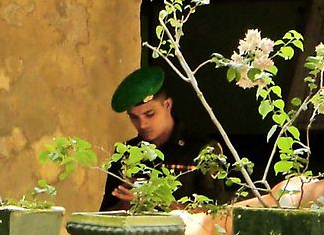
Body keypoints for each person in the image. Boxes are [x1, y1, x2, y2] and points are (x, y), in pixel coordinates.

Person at [99, 66, 231, 211]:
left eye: (150, 114)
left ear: (167, 105)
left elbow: (216, 215)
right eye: (134, 117)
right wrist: (125, 202)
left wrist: (156, 201)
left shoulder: (203, 150)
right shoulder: (125, 153)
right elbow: (105, 216)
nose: (143, 124)